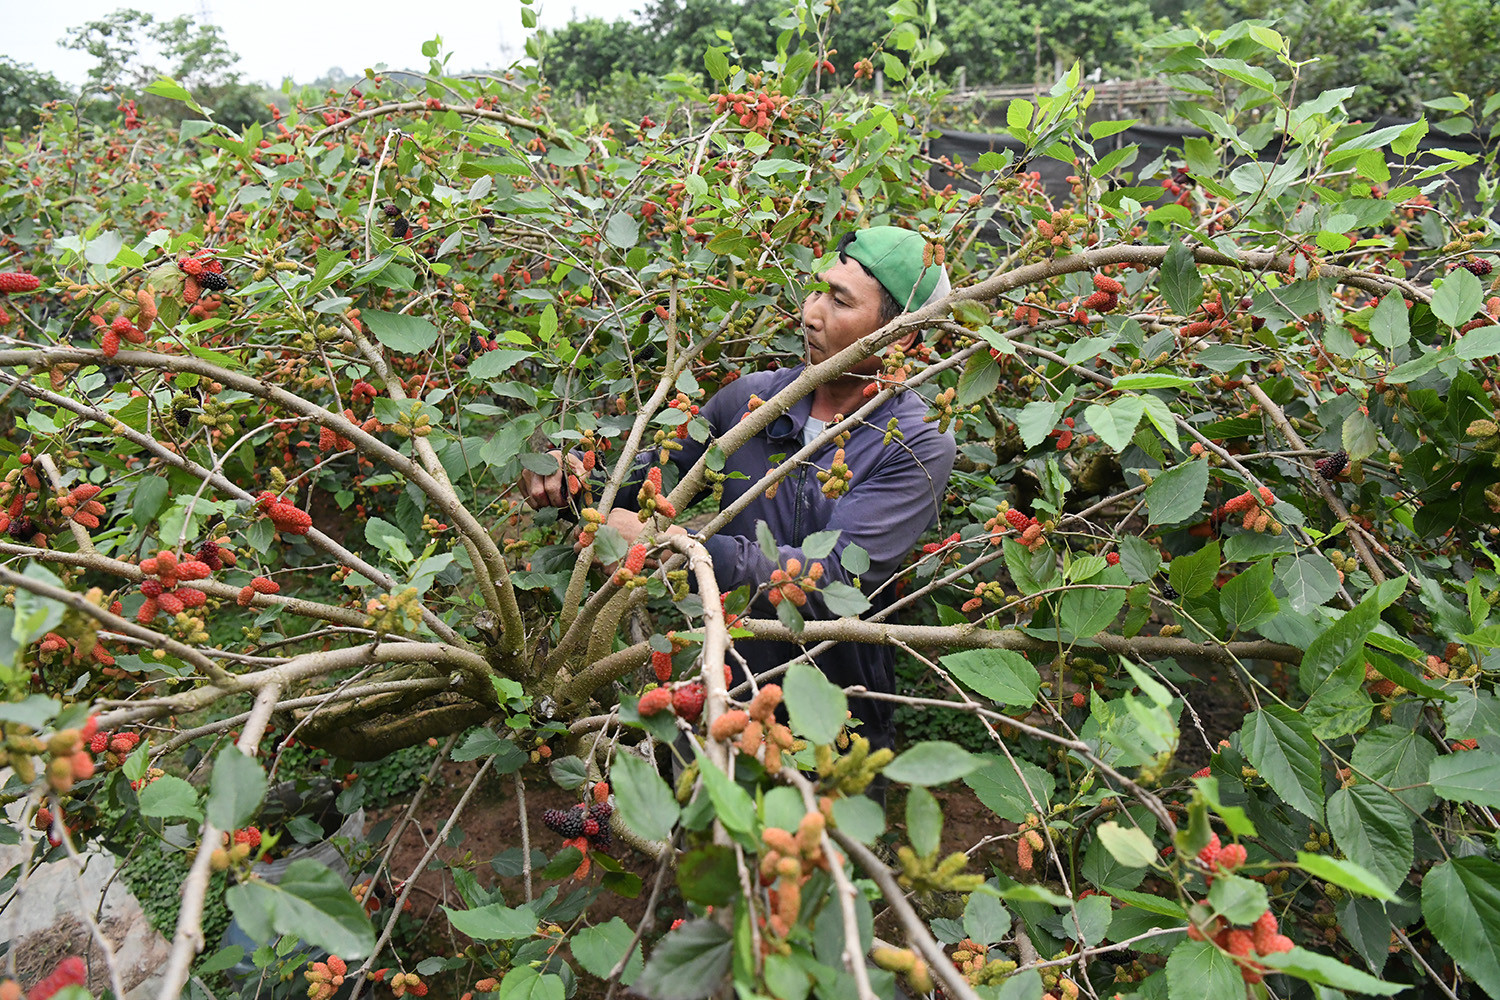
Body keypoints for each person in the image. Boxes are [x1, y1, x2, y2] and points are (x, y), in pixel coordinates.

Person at [525, 226, 957, 755]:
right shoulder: (750, 403)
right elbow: (633, 489)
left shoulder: (918, 441)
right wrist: (565, 476)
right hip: (727, 681)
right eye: (818, 289)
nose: (811, 313)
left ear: (904, 336)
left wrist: (673, 545)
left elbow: (837, 574)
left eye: (839, 301)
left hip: (840, 705)